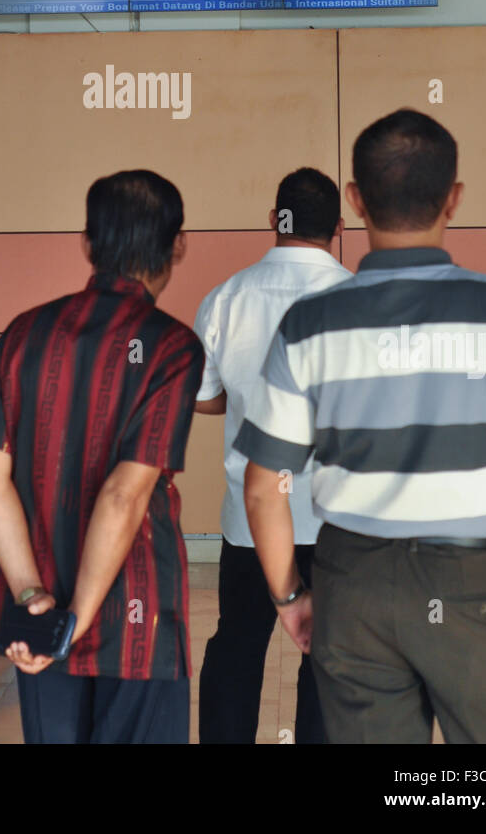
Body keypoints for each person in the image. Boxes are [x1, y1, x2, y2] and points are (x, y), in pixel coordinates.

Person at [235, 108, 486, 744]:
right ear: (455, 198)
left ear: (356, 201)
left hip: (351, 587)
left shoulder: (310, 325)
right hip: (475, 588)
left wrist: (288, 598)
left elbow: (263, 486)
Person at [0, 169, 205, 745]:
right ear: (177, 244)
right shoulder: (170, 347)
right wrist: (78, 620)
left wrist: (35, 601)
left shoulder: (23, 335)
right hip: (137, 611)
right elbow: (125, 494)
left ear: (87, 243)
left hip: (41, 614)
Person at [194, 168, 349, 744]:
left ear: (273, 220)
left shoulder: (226, 298)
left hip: (251, 521)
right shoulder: (357, 298)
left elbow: (204, 400)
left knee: (237, 646)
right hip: (336, 520)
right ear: (338, 227)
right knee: (328, 659)